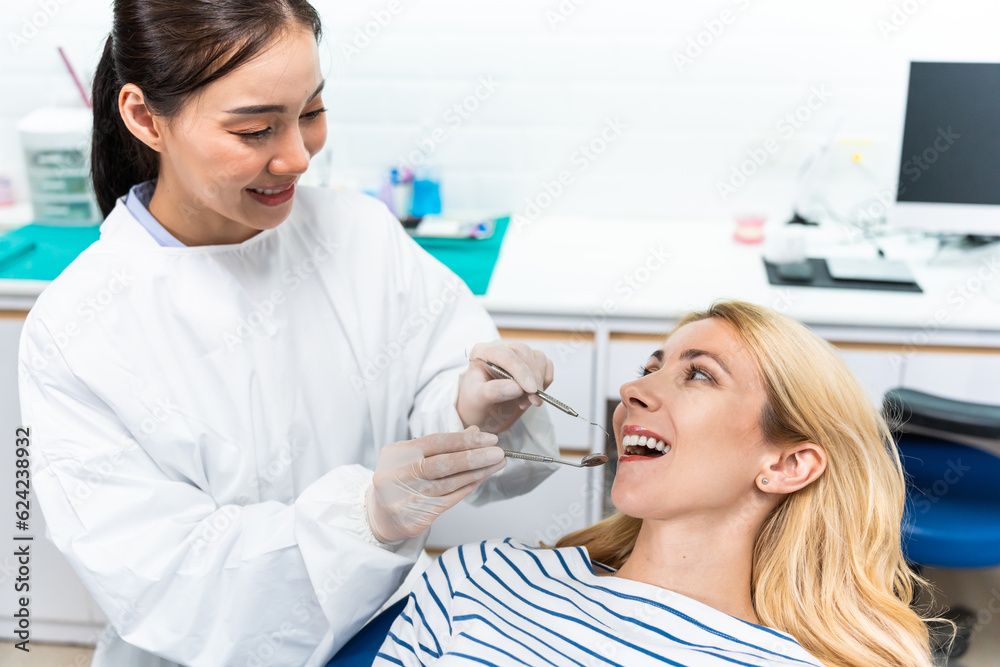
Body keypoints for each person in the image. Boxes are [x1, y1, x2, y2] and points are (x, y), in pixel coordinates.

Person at [16, 1, 558, 665]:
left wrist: (471, 404)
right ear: (144, 117)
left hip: (381, 635)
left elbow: (437, 370)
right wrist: (365, 517)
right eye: (255, 131)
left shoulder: (356, 233)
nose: (298, 158)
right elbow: (168, 580)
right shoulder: (78, 327)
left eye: (311, 112)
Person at [375, 300, 938, 667]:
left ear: (788, 466)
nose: (632, 389)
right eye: (650, 368)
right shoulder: (482, 576)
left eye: (698, 374)